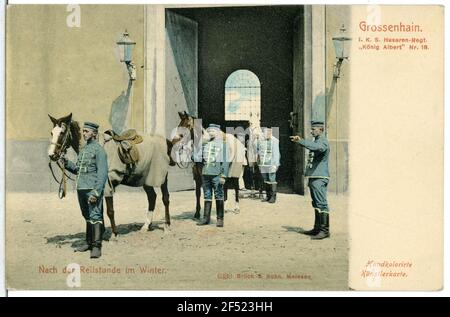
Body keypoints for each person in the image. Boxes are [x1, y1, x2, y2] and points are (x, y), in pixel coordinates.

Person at [62, 122, 109, 257]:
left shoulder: (99, 150)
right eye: (83, 131)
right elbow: (78, 169)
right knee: (87, 217)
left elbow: (102, 173)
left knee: (95, 216)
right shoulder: (83, 150)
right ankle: (89, 243)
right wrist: (66, 163)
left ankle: (96, 246)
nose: (83, 134)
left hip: (91, 189)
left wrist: (96, 192)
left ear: (94, 133)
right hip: (81, 188)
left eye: (86, 131)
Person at [290, 121, 330, 240]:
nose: (311, 131)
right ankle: (317, 228)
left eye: (314, 129)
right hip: (314, 176)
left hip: (320, 176)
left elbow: (319, 148)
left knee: (321, 203)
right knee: (316, 203)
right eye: (312, 129)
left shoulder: (322, 141)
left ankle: (324, 230)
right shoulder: (316, 141)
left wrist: (300, 141)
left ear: (320, 130)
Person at [197, 124, 230, 227]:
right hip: (206, 173)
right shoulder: (204, 144)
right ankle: (206, 218)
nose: (211, 133)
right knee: (207, 195)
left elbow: (225, 161)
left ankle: (220, 219)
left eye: (213, 131)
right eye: (209, 131)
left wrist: (224, 175)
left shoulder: (223, 145)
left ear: (218, 132)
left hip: (217, 174)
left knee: (219, 195)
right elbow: (196, 158)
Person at [257, 127, 280, 203]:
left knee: (272, 180)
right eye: (265, 133)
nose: (266, 134)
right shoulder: (261, 140)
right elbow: (258, 151)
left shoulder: (274, 141)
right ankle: (268, 196)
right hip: (263, 164)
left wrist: (276, 164)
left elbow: (276, 153)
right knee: (265, 180)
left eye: (268, 133)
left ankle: (273, 197)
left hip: (271, 163)